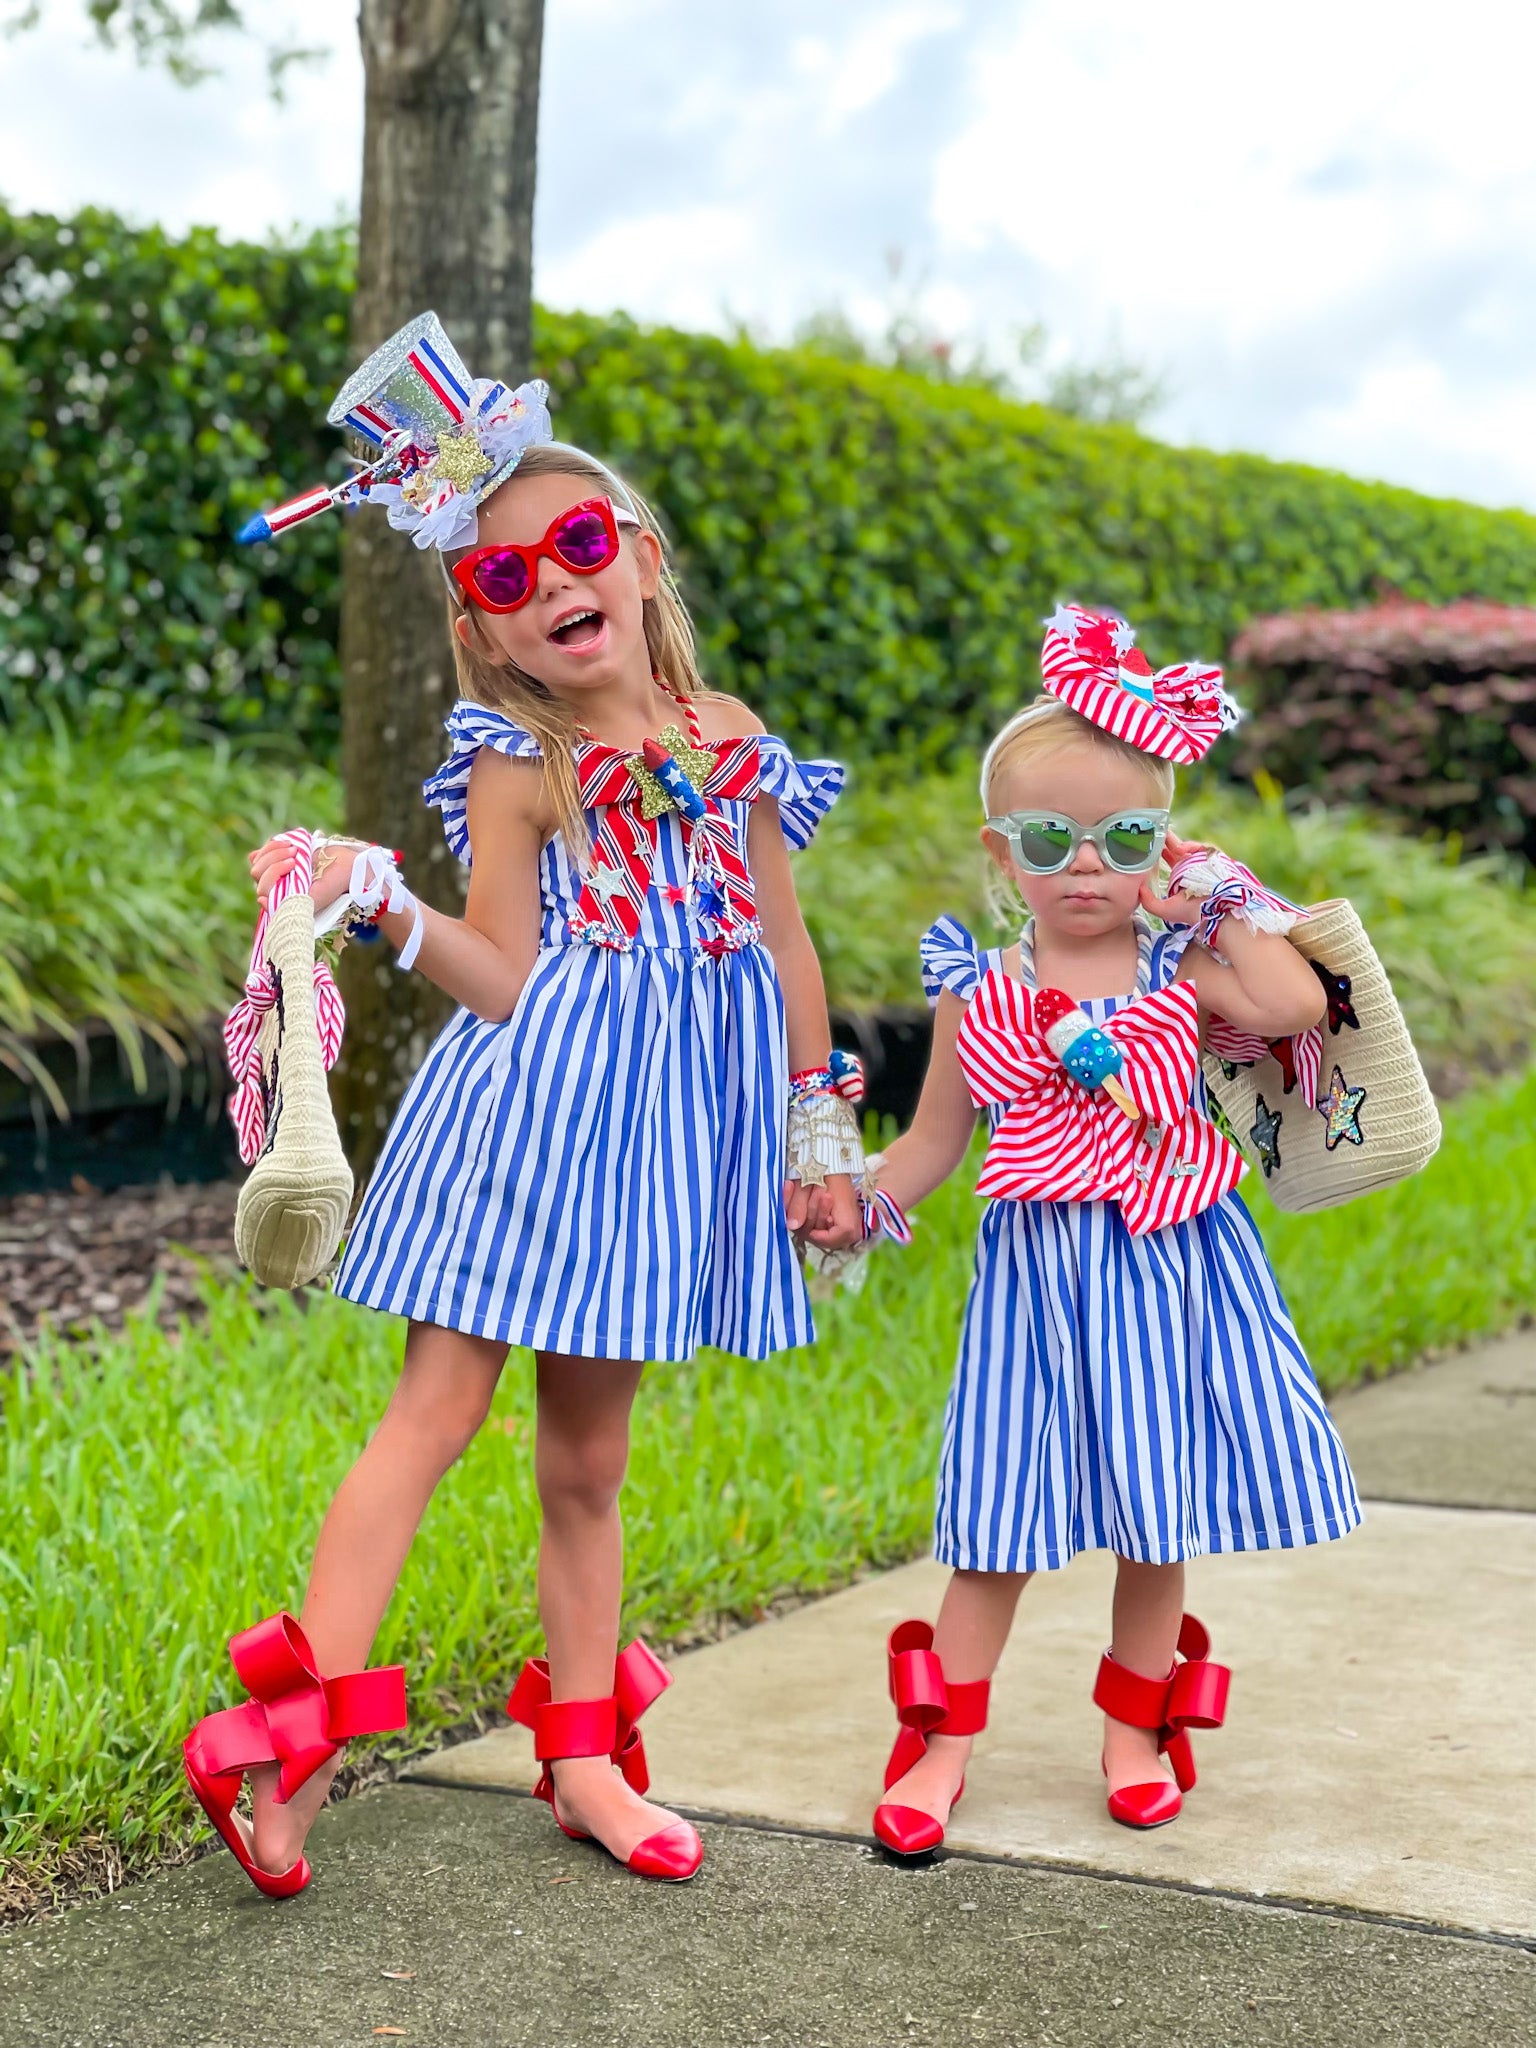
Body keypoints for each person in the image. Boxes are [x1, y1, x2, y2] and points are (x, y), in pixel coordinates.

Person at [184, 314, 862, 1897]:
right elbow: (499, 972)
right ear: (481, 631)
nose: (553, 584)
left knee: (588, 1465)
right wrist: (384, 908)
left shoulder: (736, 745)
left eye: (574, 544)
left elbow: (781, 943)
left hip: (665, 1148)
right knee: (434, 1417)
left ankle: (581, 1761)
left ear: (634, 554)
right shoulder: (519, 760)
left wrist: (814, 1130)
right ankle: (292, 1756)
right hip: (531, 1124)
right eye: (504, 576)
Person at [860, 604, 1361, 1856]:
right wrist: (851, 1195)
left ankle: (1136, 1730)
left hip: (1176, 1269)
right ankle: (942, 1741)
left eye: (1124, 835)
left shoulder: (1182, 964)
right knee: (999, 1519)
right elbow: (931, 1144)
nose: (1088, 865)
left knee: (1158, 1508)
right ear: (1001, 849)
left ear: (1160, 844)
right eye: (1050, 838)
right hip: (1038, 1281)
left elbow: (1299, 994)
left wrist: (1208, 884)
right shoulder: (979, 991)